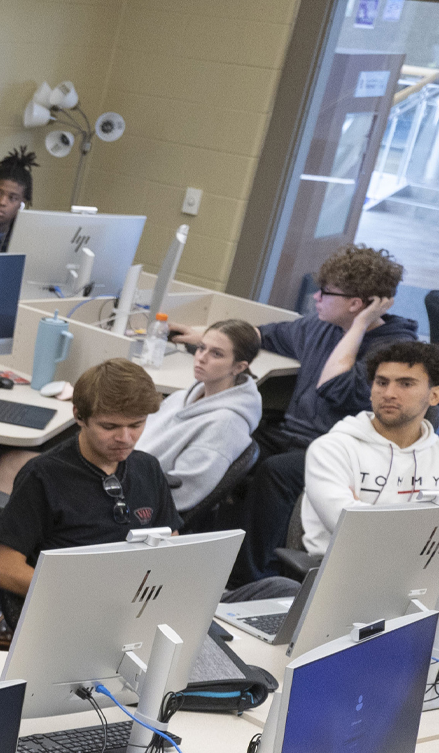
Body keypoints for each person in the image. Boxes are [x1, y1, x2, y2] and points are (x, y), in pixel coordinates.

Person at [170, 246, 418, 580]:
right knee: (224, 441)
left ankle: (246, 579)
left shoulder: (394, 351)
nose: (316, 297)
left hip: (345, 450)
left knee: (274, 472)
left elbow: (335, 386)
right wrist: (201, 335)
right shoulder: (321, 326)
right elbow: (264, 336)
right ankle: (184, 552)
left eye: (326, 292)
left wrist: (358, 328)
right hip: (293, 435)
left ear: (356, 304)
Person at [0, 359, 180, 621]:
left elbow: (174, 548)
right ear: (79, 416)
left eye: (136, 425)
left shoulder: (148, 468)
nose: (125, 438)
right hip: (69, 611)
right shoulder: (43, 476)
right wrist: (85, 596)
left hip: (138, 609)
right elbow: (5, 569)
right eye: (109, 427)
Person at [299, 342, 439, 555]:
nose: (389, 393)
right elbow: (352, 530)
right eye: (382, 382)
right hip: (343, 571)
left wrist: (367, 515)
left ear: (435, 395)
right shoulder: (332, 450)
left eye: (406, 384)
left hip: (425, 573)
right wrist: (434, 527)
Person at [138, 319, 262, 513]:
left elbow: (182, 493)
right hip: (124, 477)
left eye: (216, 354)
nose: (201, 358)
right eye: (201, 348)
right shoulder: (183, 397)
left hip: (140, 502)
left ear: (238, 367)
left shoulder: (225, 425)